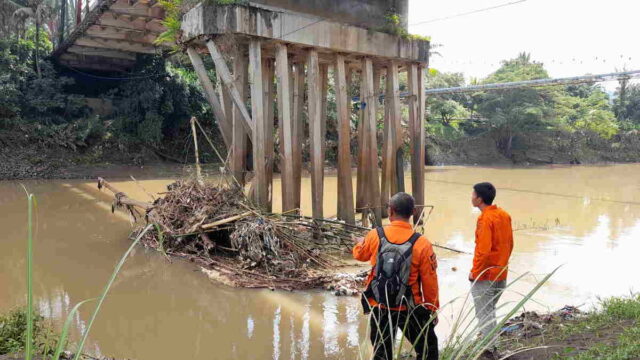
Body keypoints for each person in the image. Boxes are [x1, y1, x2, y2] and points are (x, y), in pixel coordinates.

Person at [353, 192, 439, 360]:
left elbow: (360, 255)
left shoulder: (375, 235)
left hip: (380, 304)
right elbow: (430, 281)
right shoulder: (422, 243)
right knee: (429, 351)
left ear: (390, 211)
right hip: (410, 307)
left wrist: (358, 242)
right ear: (413, 212)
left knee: (381, 353)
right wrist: (432, 309)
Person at [469, 182, 514, 357]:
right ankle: (490, 343)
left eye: (473, 194)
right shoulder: (504, 215)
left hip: (485, 275)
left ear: (479, 199)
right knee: (490, 311)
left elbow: (483, 250)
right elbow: (510, 244)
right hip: (501, 273)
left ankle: (489, 349)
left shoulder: (485, 218)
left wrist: (475, 272)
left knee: (484, 313)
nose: (471, 197)